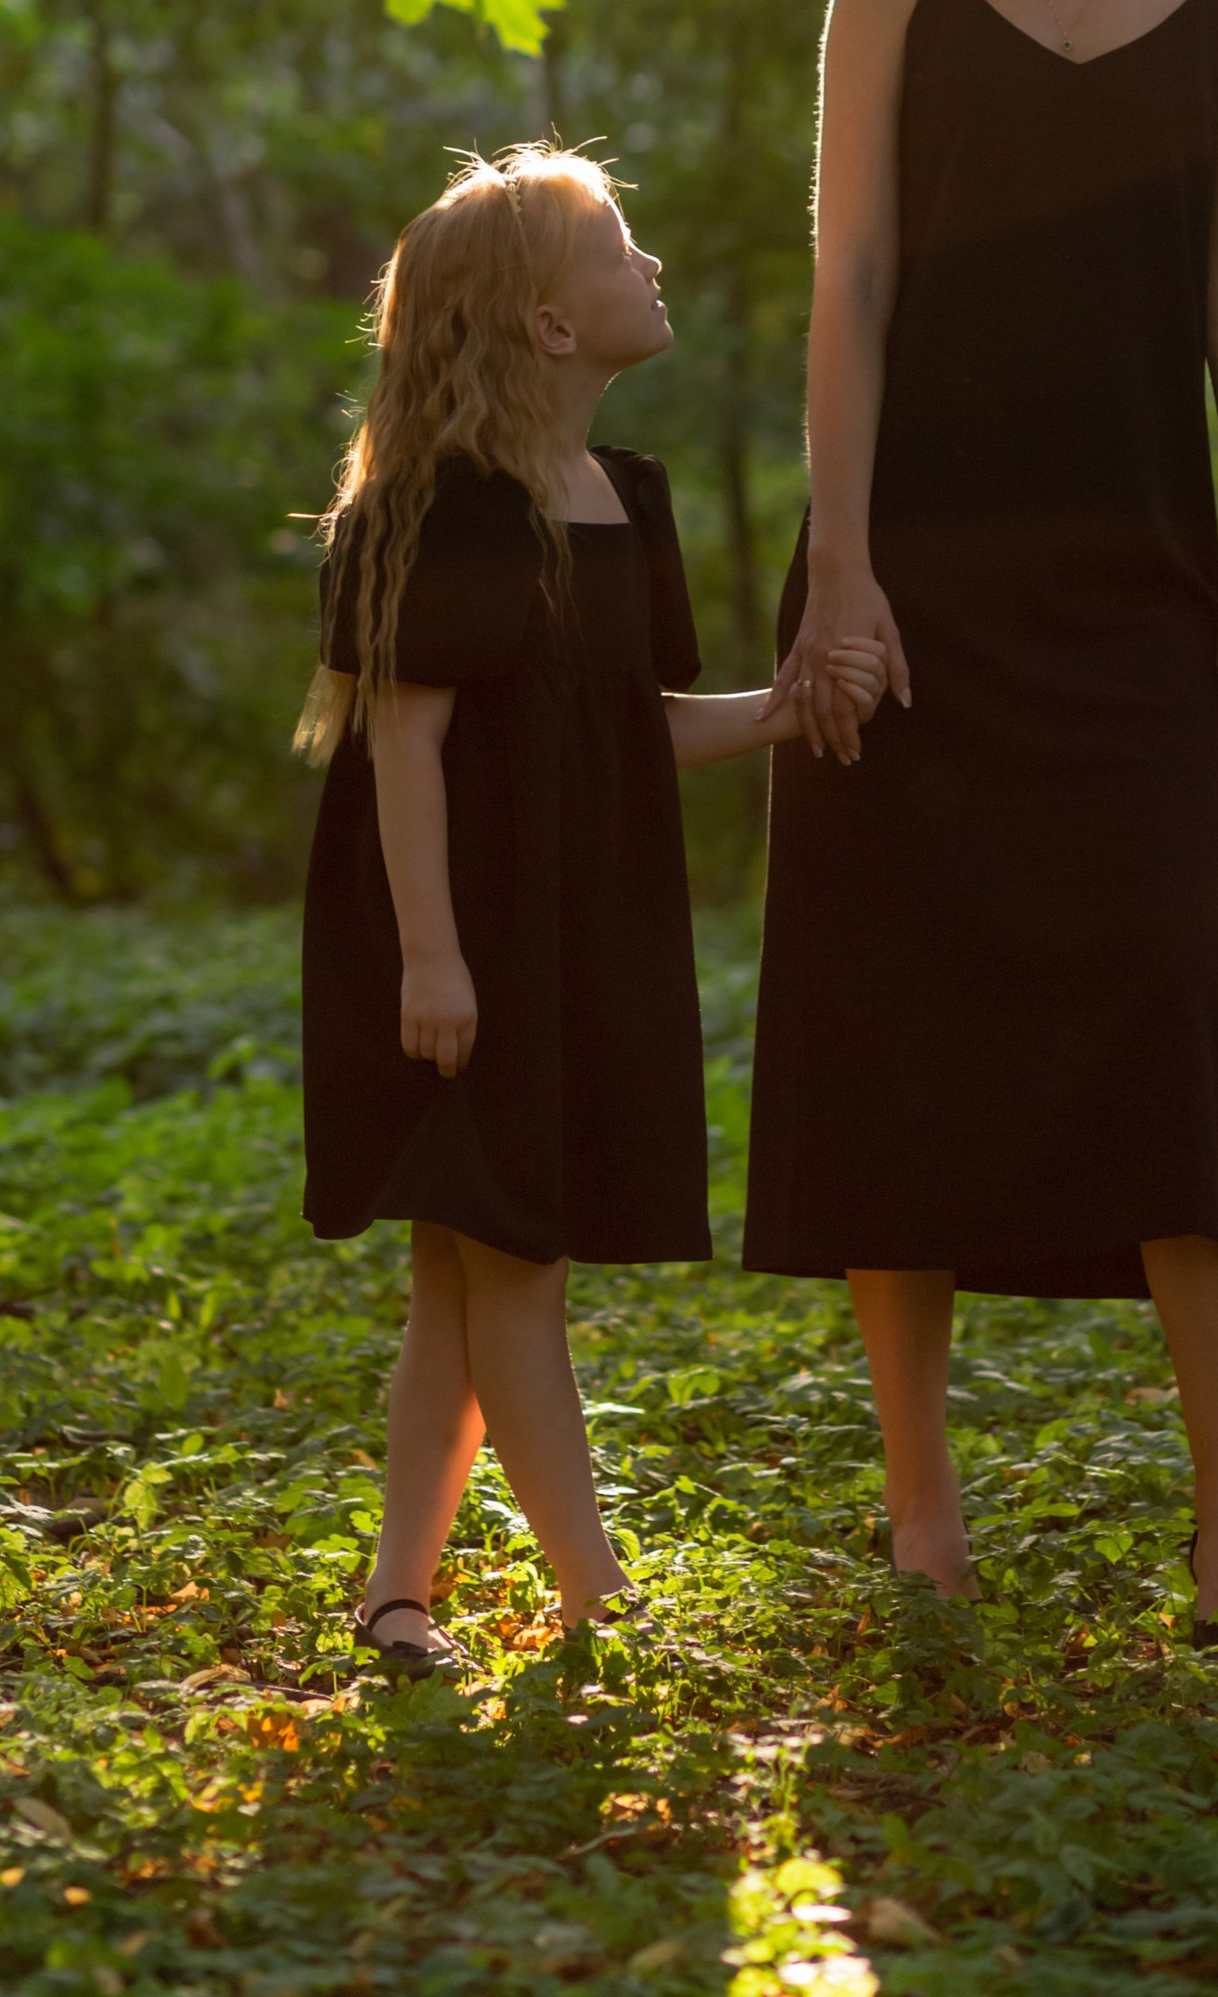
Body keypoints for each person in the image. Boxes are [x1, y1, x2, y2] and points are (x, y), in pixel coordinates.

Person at [746, 0, 1218, 1639]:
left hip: (1134, 585)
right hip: (906, 583)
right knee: (890, 1021)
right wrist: (842, 575)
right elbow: (852, 283)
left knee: (1167, 1010)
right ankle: (921, 1511)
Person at [298, 146, 886, 1673]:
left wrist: (786, 707)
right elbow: (402, 744)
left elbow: (628, 728)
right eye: (622, 251)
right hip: (460, 936)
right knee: (517, 1267)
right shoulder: (441, 509)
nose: (654, 269)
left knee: (462, 1275)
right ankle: (599, 1600)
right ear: (551, 325)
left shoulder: (625, 496)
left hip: (580, 929)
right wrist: (433, 958)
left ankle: (396, 1596)